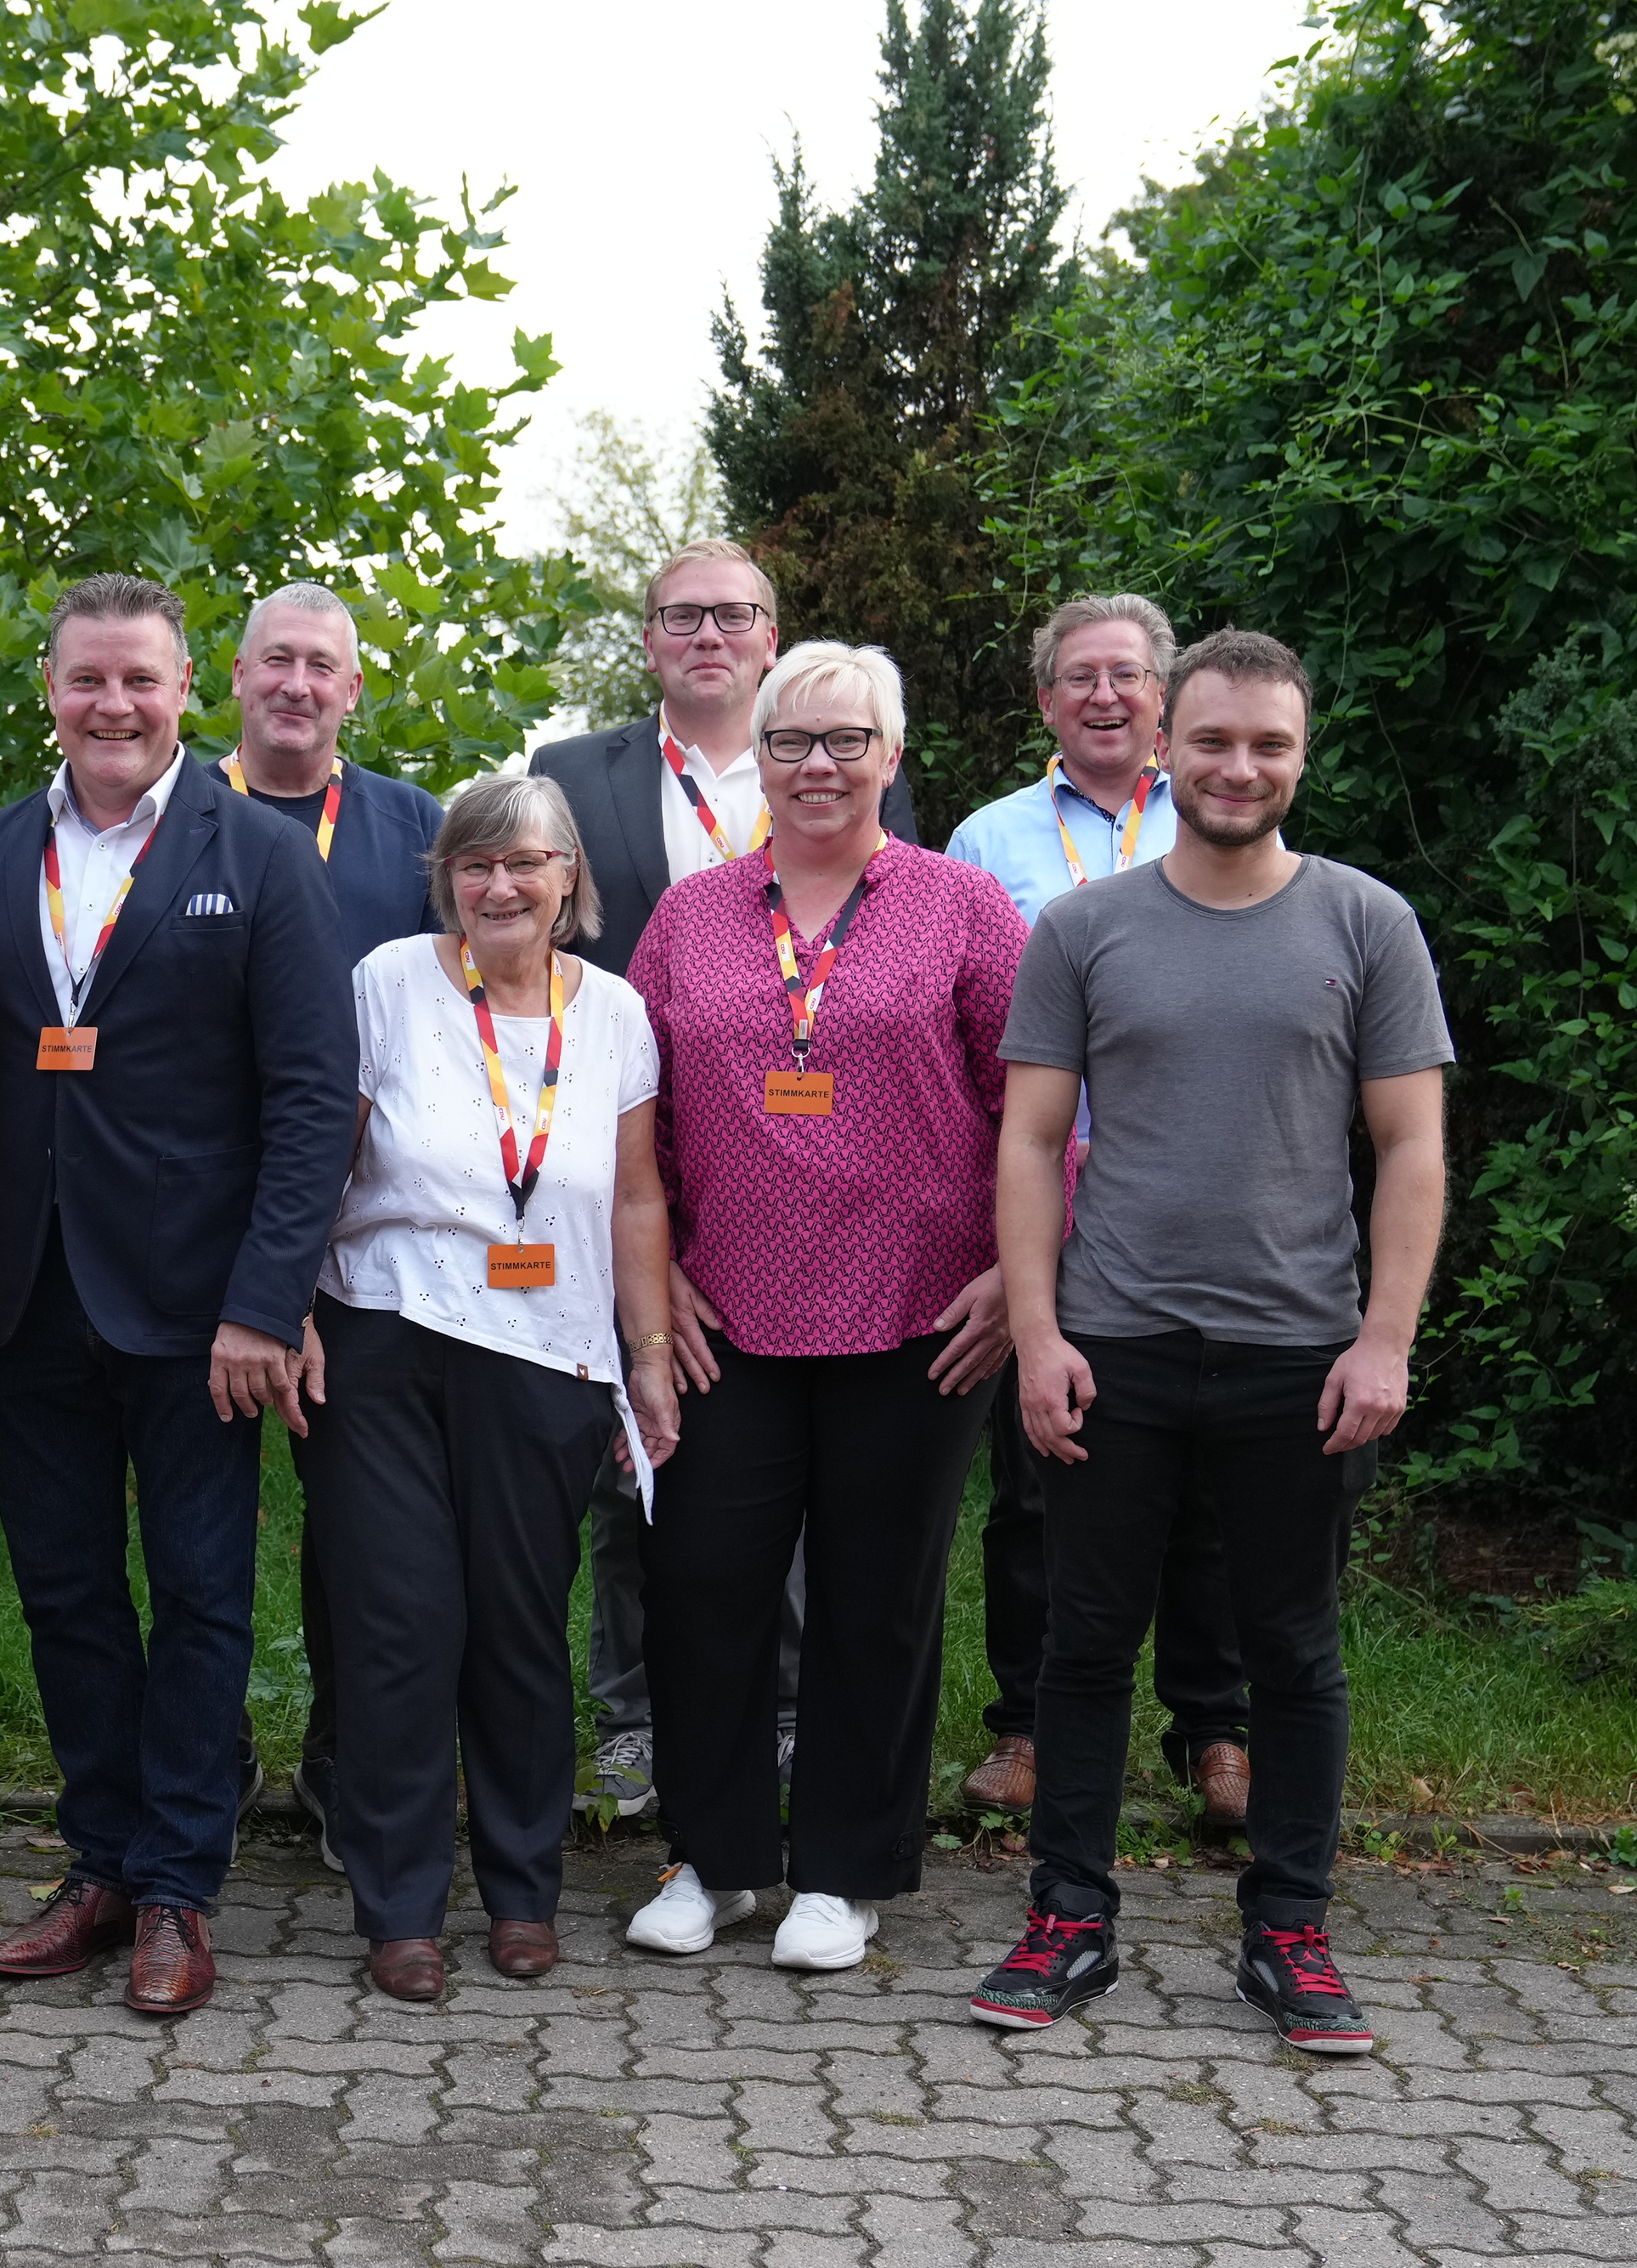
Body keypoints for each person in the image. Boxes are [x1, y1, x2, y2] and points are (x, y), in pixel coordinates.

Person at [967, 629, 1449, 2056]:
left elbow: (1412, 1147)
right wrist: (1038, 1332)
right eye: (1216, 741)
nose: (1241, 769)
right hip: (1113, 1347)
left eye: (1271, 746)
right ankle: (1069, 1919)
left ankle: (1288, 1930)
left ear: (1302, 758)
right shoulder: (1086, 928)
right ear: (1164, 744)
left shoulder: (1367, 923)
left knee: (1293, 1655)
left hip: (1299, 1361)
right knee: (1084, 1644)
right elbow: (1031, 1141)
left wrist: (1385, 1342)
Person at [0, 573, 355, 2016]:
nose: (112, 707)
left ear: (188, 688)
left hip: (202, 1314)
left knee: (197, 1597)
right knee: (66, 1594)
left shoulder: (256, 857)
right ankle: (101, 1859)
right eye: (85, 681)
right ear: (50, 691)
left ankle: (181, 1885)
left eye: (139, 681)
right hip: (33, 1296)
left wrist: (266, 1299)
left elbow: (314, 1097)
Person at [620, 642, 1019, 1972]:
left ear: (893, 757)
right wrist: (656, 1270)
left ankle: (843, 1872)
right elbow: (638, 1117)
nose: (818, 766)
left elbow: (1049, 1109)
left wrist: (1025, 1270)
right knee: (702, 1584)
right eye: (792, 741)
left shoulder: (962, 908)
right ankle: (717, 1859)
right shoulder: (692, 916)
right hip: (725, 1314)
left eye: (848, 741)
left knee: (875, 1596)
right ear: (761, 759)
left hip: (920, 1315)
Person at [533, 541, 912, 1815]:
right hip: (621, 1151)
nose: (708, 635)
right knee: (638, 1450)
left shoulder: (835, 763)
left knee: (789, 1471)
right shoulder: (569, 774)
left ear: (771, 636)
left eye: (735, 615)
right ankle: (636, 1721)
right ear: (648, 638)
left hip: (804, 1173)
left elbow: (888, 956)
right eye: (682, 615)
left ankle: (795, 1719)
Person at [295, 775, 679, 2002]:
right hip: (387, 1339)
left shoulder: (615, 1013)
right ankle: (398, 1904)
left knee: (518, 1630)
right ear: (446, 881)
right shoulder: (391, 984)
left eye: (524, 863)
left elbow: (634, 1199)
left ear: (571, 876)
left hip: (549, 1356)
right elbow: (328, 1152)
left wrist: (651, 1356)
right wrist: (285, 1307)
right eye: (475, 865)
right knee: (402, 1627)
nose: (499, 886)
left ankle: (522, 1891)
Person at [941, 595, 1254, 1831]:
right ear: (1045, 704)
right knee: (1041, 1477)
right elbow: (962, 1040)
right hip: (1049, 1204)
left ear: (1166, 701)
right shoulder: (986, 841)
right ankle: (1026, 1732)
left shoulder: (1227, 818)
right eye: (1081, 678)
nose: (1107, 696)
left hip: (1201, 1199)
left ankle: (1216, 1737)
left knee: (1211, 1485)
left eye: (1129, 676)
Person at [202, 580, 449, 1842]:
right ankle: (214, 1756)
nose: (298, 684)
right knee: (203, 1518)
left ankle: (354, 1770)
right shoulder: (173, 816)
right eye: (275, 661)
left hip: (366, 1238)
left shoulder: (416, 830)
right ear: (234, 679)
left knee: (364, 1529)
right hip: (195, 1223)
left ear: (356, 690)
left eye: (324, 666)